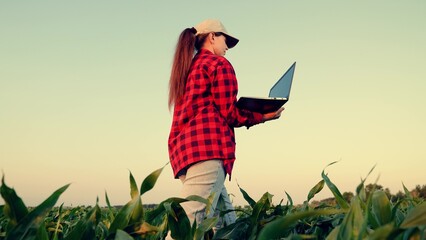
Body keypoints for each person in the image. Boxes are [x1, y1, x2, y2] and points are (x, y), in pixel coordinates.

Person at [167, 19, 284, 231]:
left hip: (185, 154)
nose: (227, 46)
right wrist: (264, 115)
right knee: (185, 230)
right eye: (225, 39)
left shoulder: (187, 69)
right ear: (212, 37)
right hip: (208, 152)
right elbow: (229, 113)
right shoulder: (218, 65)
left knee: (225, 226)